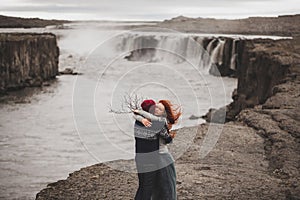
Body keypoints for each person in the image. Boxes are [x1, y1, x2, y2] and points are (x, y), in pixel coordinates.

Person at [133, 100, 181, 200]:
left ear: (163, 113)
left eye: (159, 108)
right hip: (156, 158)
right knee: (155, 188)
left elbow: (168, 140)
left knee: (165, 187)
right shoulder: (152, 121)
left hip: (162, 158)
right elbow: (168, 139)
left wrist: (139, 114)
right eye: (156, 107)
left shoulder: (157, 122)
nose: (156, 109)